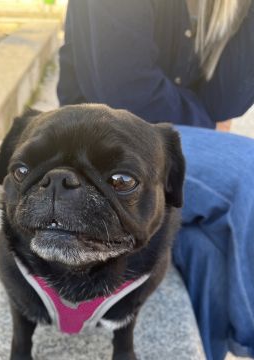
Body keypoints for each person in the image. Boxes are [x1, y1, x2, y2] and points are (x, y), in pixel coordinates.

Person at [56, 1, 254, 359]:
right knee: (248, 171)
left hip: (155, 149)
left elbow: (227, 100)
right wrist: (207, 122)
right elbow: (130, 95)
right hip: (94, 149)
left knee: (207, 250)